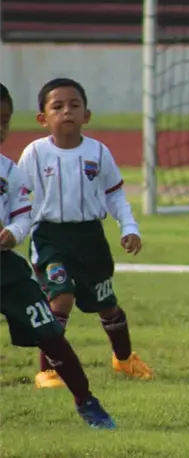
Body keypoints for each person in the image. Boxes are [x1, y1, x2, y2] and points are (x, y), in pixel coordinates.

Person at [16, 78, 153, 389]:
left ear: (86, 115)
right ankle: (49, 371)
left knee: (106, 302)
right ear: (43, 118)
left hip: (90, 237)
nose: (67, 111)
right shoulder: (35, 153)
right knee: (60, 298)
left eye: (74, 105)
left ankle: (123, 358)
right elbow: (18, 195)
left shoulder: (98, 153)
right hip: (50, 237)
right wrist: (13, 227)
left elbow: (115, 195)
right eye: (58, 106)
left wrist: (129, 227)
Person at [0, 82, 115, 429]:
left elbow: (23, 214)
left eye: (4, 121)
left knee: (50, 331)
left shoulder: (8, 170)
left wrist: (14, 233)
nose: (0, 129)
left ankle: (87, 401)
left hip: (5, 269)